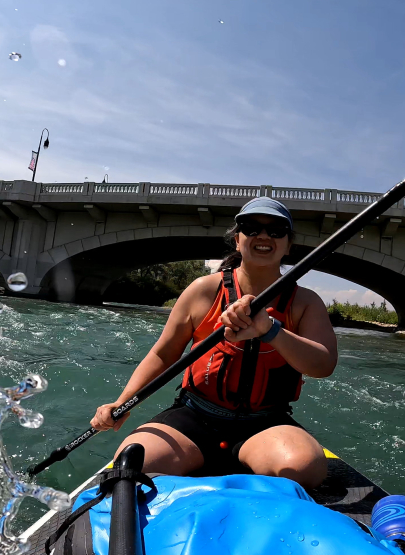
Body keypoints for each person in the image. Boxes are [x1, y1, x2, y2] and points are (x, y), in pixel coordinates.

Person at [90, 197, 338, 489]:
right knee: (135, 463)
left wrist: (270, 330)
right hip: (196, 417)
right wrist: (123, 401)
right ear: (237, 239)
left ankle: (247, 463)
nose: (263, 236)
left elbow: (323, 365)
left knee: (304, 469)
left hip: (265, 424)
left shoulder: (305, 302)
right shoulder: (203, 290)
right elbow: (164, 353)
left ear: (287, 244)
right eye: (251, 227)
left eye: (276, 230)